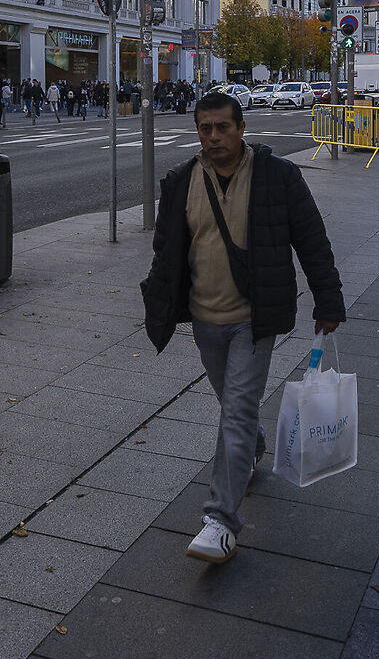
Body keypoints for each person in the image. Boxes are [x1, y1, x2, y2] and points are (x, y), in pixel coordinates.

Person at [142, 90, 344, 564]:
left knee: (235, 408)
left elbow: (312, 240)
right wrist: (158, 299)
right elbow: (166, 250)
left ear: (241, 129)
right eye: (205, 129)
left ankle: (221, 522)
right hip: (204, 318)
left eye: (222, 128)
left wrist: (328, 300)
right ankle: (252, 449)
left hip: (254, 320)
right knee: (234, 405)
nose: (214, 137)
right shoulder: (181, 181)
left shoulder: (278, 177)